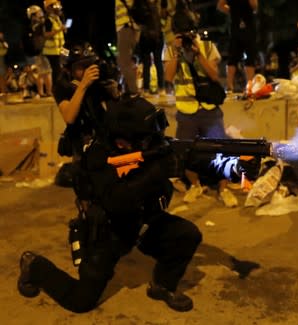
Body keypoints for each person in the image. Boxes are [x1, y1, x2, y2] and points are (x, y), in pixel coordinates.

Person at [17, 42, 202, 313]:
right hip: (107, 217)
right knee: (82, 301)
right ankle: (34, 265)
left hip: (128, 190)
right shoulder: (70, 95)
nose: (89, 70)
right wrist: (156, 172)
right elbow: (118, 200)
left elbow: (156, 192)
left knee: (186, 234)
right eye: (82, 67)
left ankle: (162, 284)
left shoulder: (123, 132)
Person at [163, 17, 238, 207]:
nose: (185, 37)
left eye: (188, 33)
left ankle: (224, 189)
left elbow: (214, 74)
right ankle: (195, 185)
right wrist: (178, 52)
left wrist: (198, 55)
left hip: (209, 108)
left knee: (220, 149)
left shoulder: (207, 46)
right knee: (185, 150)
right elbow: (169, 76)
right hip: (186, 109)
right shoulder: (170, 48)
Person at [217, 0, 258, 94]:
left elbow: (220, 6)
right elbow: (254, 6)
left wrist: (232, 11)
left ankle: (236, 86)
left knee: (237, 57)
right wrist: (232, 11)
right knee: (239, 57)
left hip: (242, 26)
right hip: (243, 27)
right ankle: (240, 86)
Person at [25, 5, 53, 97]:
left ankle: (42, 92)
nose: (41, 13)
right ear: (33, 15)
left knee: (40, 73)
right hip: (39, 51)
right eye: (39, 12)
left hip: (35, 52)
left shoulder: (31, 26)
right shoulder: (38, 24)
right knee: (46, 71)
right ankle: (47, 92)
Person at [115, 0, 141, 95]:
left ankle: (133, 91)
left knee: (122, 61)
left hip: (126, 26)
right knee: (128, 61)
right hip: (130, 26)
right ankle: (129, 90)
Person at [42, 0, 66, 85]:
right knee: (56, 71)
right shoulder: (48, 20)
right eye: (55, 6)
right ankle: (57, 90)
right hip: (51, 52)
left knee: (62, 68)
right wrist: (59, 29)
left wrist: (63, 29)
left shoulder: (57, 19)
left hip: (60, 50)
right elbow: (46, 35)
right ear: (49, 8)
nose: (58, 7)